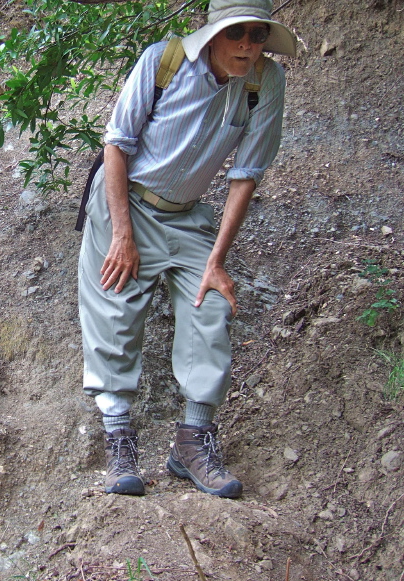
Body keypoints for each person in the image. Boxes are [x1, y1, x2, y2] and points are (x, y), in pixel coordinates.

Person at [78, 0, 297, 498]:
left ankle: (192, 443)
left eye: (258, 34)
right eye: (237, 32)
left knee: (210, 303)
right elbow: (117, 143)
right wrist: (121, 233)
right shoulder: (164, 62)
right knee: (114, 308)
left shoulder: (266, 83)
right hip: (126, 201)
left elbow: (246, 174)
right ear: (215, 34)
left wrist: (216, 260)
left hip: (187, 214)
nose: (247, 44)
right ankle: (118, 441)